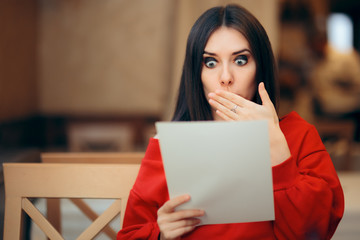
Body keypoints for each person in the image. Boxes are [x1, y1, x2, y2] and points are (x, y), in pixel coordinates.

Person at [117, 4, 344, 240]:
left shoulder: (298, 135)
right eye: (211, 63)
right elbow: (130, 234)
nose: (225, 78)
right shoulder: (168, 145)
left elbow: (314, 233)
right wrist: (160, 234)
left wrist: (277, 149)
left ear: (261, 67)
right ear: (196, 74)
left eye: (241, 60)